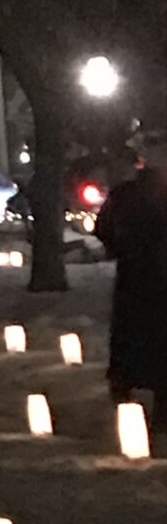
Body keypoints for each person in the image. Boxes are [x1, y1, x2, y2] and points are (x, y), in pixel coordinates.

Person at [94, 145, 167, 410]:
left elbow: (102, 227)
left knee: (130, 329)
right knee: (159, 335)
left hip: (134, 274)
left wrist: (120, 247)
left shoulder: (123, 194)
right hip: (157, 274)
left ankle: (123, 384)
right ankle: (161, 400)